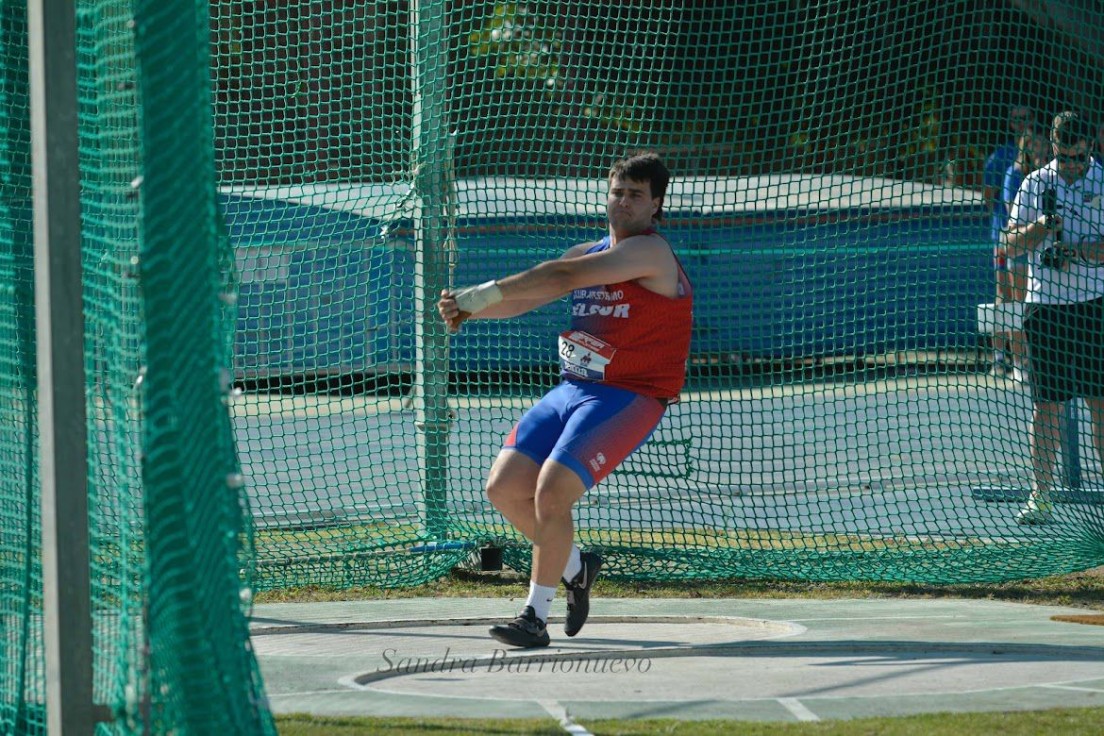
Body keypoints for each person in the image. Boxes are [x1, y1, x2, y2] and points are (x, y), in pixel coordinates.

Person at [437, 152, 693, 646]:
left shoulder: (650, 254)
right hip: (573, 389)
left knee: (551, 491)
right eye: (617, 191)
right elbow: (529, 297)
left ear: (657, 203)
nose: (623, 201)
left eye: (636, 195)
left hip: (629, 396)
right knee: (505, 487)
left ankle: (534, 616)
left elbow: (558, 277)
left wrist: (479, 294)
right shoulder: (588, 251)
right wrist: (472, 312)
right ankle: (576, 566)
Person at [1003, 111, 1104, 524]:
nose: (1072, 167)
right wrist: (1042, 229)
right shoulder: (1035, 183)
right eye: (1065, 158)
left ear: (1090, 149)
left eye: (1079, 158)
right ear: (1053, 147)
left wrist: (1080, 252)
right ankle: (1040, 495)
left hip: (1095, 306)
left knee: (1100, 404)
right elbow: (1009, 244)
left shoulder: (1103, 180)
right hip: (1046, 308)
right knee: (1047, 406)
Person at [997, 130, 1052, 381]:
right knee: (1019, 305)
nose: (1038, 149)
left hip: (1046, 250)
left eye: (1041, 144)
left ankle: (1044, 359)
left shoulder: (1053, 174)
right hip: (1021, 249)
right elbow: (1013, 219)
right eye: (1033, 145)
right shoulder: (1015, 175)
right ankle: (1020, 362)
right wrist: (1033, 231)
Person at [984, 105, 1035, 374]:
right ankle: (1001, 356)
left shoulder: (1046, 167)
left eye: (1025, 119)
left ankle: (1024, 357)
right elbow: (991, 197)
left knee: (1025, 298)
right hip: (1004, 239)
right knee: (1005, 295)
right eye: (1016, 119)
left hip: (1032, 242)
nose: (1021, 124)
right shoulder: (1001, 160)